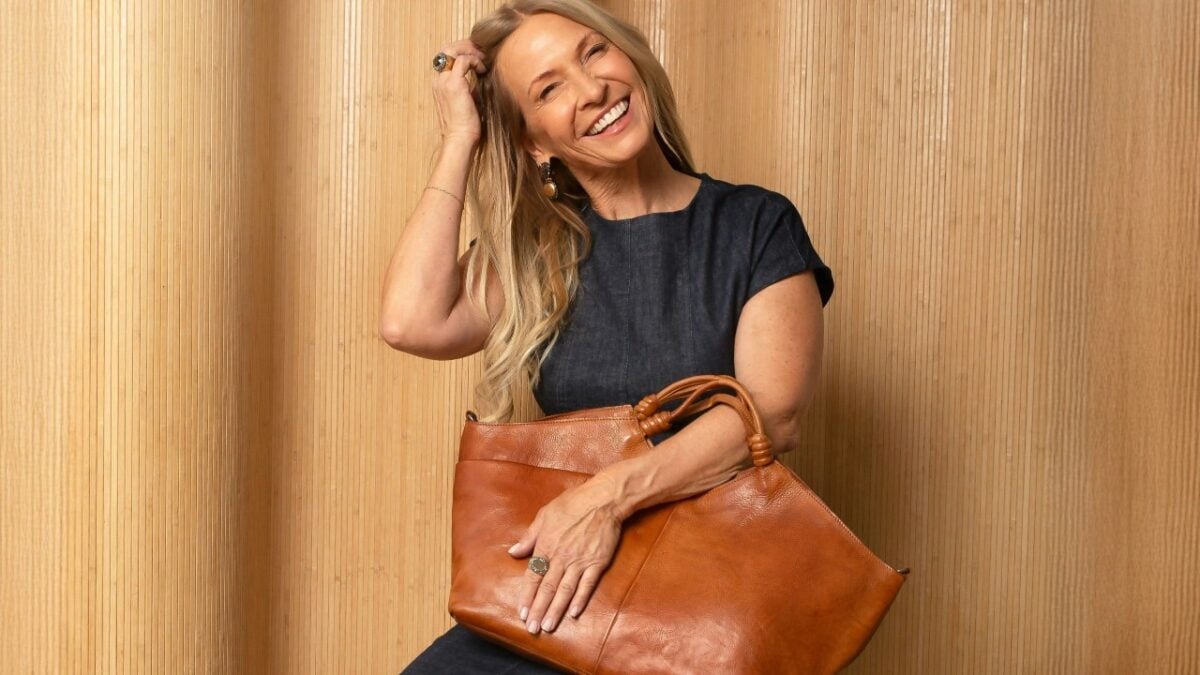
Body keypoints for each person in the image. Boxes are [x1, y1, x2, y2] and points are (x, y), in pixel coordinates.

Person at [381, 1, 834, 672]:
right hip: (559, 598)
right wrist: (461, 139)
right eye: (549, 89)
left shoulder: (753, 224)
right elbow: (410, 321)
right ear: (535, 143)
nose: (591, 88)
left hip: (706, 608)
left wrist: (602, 500)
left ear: (631, 57)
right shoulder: (540, 250)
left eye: (594, 52)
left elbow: (771, 412)